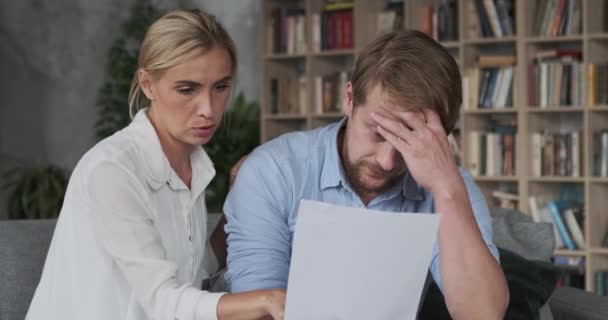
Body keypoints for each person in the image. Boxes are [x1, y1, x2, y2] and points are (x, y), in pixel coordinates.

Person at [224, 30, 509, 319]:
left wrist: (447, 190)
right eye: (377, 133)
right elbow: (256, 310)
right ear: (349, 99)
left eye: (408, 143)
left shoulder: (449, 186)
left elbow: (482, 314)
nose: (386, 162)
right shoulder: (272, 171)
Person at [27, 9, 284, 320]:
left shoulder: (193, 164)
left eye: (220, 87)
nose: (208, 109)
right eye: (187, 89)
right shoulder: (112, 170)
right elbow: (163, 300)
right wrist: (267, 300)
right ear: (148, 85)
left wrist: (241, 198)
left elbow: (194, 271)